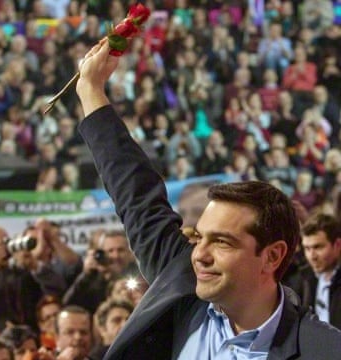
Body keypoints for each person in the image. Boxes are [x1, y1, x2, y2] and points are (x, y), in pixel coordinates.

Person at [74, 39, 341, 359]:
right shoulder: (181, 281)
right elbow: (136, 194)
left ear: (272, 257)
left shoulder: (324, 350)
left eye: (222, 242)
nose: (199, 254)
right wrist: (91, 89)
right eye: (200, 238)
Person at [300, 213, 341, 329]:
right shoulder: (305, 277)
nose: (312, 256)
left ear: (337, 245)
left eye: (318, 247)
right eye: (307, 248)